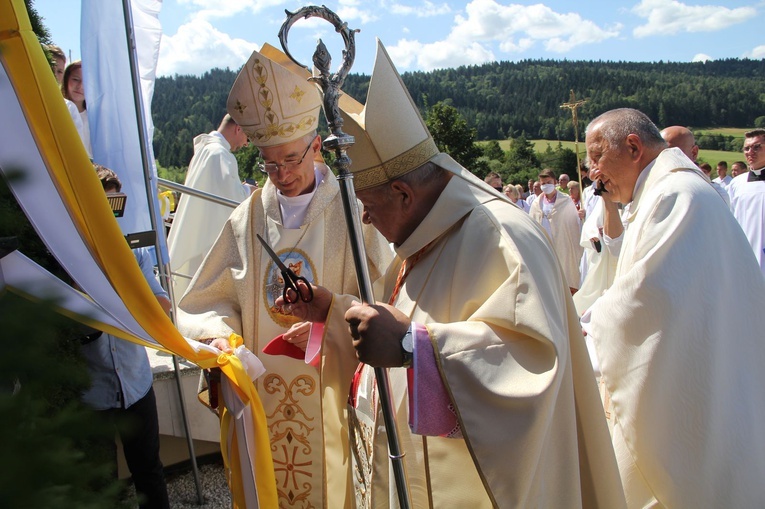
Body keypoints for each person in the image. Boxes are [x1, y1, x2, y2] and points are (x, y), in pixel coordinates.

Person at [278, 40, 625, 509]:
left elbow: (531, 366)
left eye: (369, 204)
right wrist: (332, 308)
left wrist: (410, 347)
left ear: (402, 192)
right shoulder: (429, 231)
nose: (364, 218)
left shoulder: (500, 235)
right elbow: (403, 317)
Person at [175, 48, 392, 508]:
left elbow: (388, 299)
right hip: (262, 395)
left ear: (316, 146)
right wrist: (222, 341)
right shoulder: (246, 218)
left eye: (292, 160)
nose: (282, 175)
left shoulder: (353, 214)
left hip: (332, 391)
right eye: (269, 165)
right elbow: (205, 301)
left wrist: (328, 319)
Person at [582, 108, 765, 508]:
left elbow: (645, 304)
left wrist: (582, 336)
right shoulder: (666, 191)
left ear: (632, 147)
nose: (591, 171)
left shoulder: (675, 196)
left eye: (595, 157)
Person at [82, 165, 170, 509]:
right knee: (100, 483)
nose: (111, 215)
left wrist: (131, 283)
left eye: (116, 205)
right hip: (92, 389)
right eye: (105, 205)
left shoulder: (134, 252)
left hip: (135, 384)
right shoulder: (68, 258)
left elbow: (162, 308)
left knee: (149, 471)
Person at [166, 114, 253, 298]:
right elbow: (231, 199)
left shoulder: (206, 150)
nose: (246, 144)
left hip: (197, 229)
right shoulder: (219, 154)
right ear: (238, 128)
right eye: (248, 137)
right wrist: (249, 191)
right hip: (205, 240)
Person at [529, 168, 583, 292]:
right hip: (544, 245)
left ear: (554, 182)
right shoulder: (536, 203)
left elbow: (574, 224)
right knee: (547, 281)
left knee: (566, 277)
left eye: (548, 182)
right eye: (543, 183)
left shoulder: (566, 201)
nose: (545, 185)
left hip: (563, 245)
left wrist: (581, 216)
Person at [727, 129, 765, 278]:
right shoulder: (737, 184)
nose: (750, 152)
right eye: (747, 148)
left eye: (757, 147)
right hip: (745, 254)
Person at [660, 125, 729, 205]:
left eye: (672, 152)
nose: (663, 158)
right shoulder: (653, 186)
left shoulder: (717, 194)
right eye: (660, 152)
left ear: (694, 152)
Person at [61, 60, 92, 158]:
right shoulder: (57, 109)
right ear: (66, 79)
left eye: (86, 82)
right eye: (75, 79)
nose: (80, 86)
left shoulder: (94, 119)